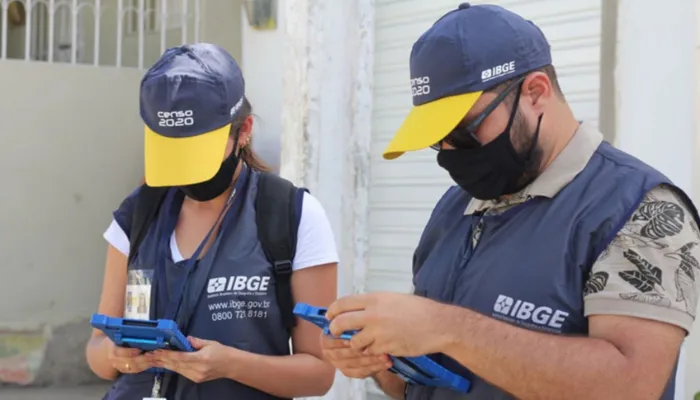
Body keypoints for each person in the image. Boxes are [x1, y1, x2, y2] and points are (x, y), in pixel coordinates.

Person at [319, 3, 700, 400]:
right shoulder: (455, 208)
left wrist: (448, 328)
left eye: (463, 130)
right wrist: (378, 359)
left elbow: (631, 386)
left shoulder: (638, 209)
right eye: (437, 138)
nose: (450, 151)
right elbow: (426, 382)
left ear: (536, 93)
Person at [85, 43, 338, 399]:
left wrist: (230, 365)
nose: (187, 172)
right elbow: (97, 352)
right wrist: (116, 356)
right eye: (175, 150)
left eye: (197, 149)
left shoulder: (292, 215)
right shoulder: (138, 214)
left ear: (243, 130)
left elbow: (319, 373)